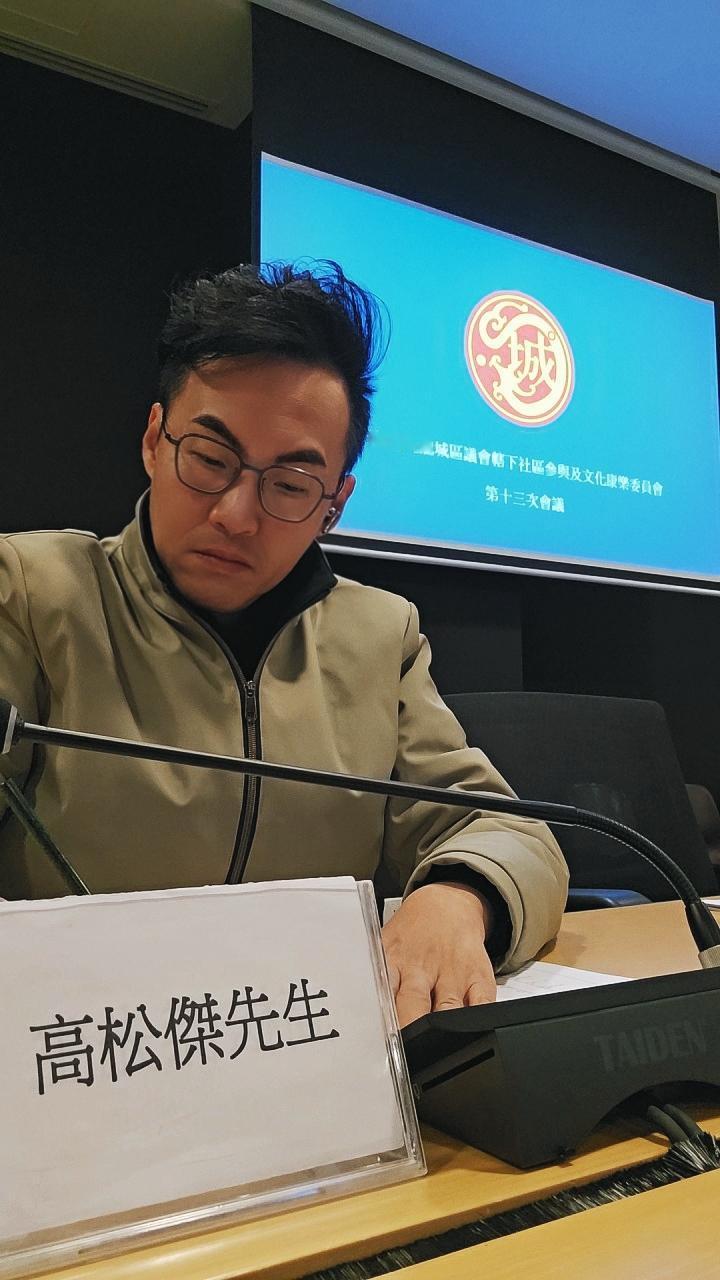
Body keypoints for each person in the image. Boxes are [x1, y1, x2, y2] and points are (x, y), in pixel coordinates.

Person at [0, 262, 567, 1026]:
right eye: (209, 460)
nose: (236, 515)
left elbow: (504, 829)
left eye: (292, 486)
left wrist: (459, 897)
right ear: (153, 440)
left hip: (310, 1049)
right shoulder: (34, 594)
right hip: (80, 1046)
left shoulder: (378, 637)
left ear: (335, 505)